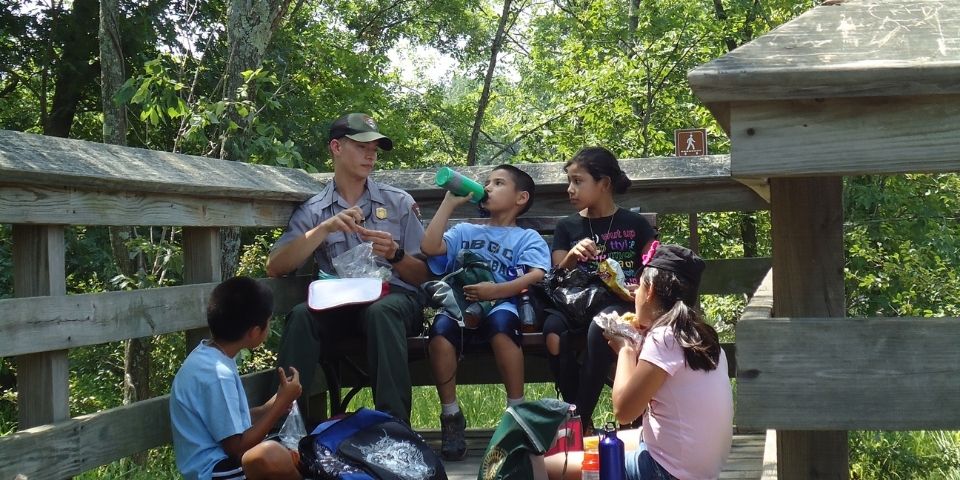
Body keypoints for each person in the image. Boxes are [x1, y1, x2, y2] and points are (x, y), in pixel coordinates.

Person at [265, 113, 430, 424]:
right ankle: (284, 427)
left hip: (393, 302)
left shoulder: (398, 202)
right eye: (361, 146)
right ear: (336, 148)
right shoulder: (315, 210)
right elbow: (276, 266)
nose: (371, 154)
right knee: (302, 316)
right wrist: (323, 229)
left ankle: (393, 430)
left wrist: (395, 255)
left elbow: (423, 276)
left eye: (375, 149)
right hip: (339, 303)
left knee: (381, 312)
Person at [545, 244, 734, 480]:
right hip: (698, 468)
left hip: (666, 471)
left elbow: (623, 411)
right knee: (590, 443)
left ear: (651, 290)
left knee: (548, 466)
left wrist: (625, 349)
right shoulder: (700, 336)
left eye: (639, 287)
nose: (634, 295)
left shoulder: (664, 338)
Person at [421, 164, 551, 460]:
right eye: (487, 183)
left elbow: (537, 274)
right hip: (459, 304)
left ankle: (516, 413)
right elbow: (429, 247)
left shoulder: (525, 237)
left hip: (501, 304)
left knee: (504, 326)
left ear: (520, 198)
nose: (488, 188)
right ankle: (451, 416)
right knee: (440, 333)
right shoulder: (466, 231)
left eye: (498, 183)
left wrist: (497, 291)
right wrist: (448, 203)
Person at [542, 146, 657, 433]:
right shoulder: (568, 226)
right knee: (553, 335)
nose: (570, 189)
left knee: (601, 327)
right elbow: (556, 275)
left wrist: (639, 287)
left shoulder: (634, 224)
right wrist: (572, 255)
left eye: (578, 181)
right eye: (569, 181)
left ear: (604, 184)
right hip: (574, 301)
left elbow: (653, 266)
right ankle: (579, 413)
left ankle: (578, 420)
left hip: (617, 301)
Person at [170, 276, 303, 480]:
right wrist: (280, 405)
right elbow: (237, 448)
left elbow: (232, 422)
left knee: (290, 453)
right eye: (268, 323)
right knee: (273, 455)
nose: (269, 328)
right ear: (254, 331)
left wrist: (277, 400)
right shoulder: (217, 375)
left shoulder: (209, 356)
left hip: (221, 462)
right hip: (213, 471)